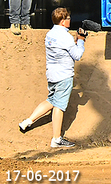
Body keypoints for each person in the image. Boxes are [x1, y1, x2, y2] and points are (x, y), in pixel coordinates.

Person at [18, 8, 86, 148]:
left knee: (51, 100)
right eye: (67, 18)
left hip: (52, 74)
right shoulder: (65, 37)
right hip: (64, 75)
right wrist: (80, 41)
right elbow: (77, 55)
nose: (69, 20)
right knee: (59, 106)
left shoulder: (50, 34)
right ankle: (56, 139)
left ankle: (27, 121)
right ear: (62, 22)